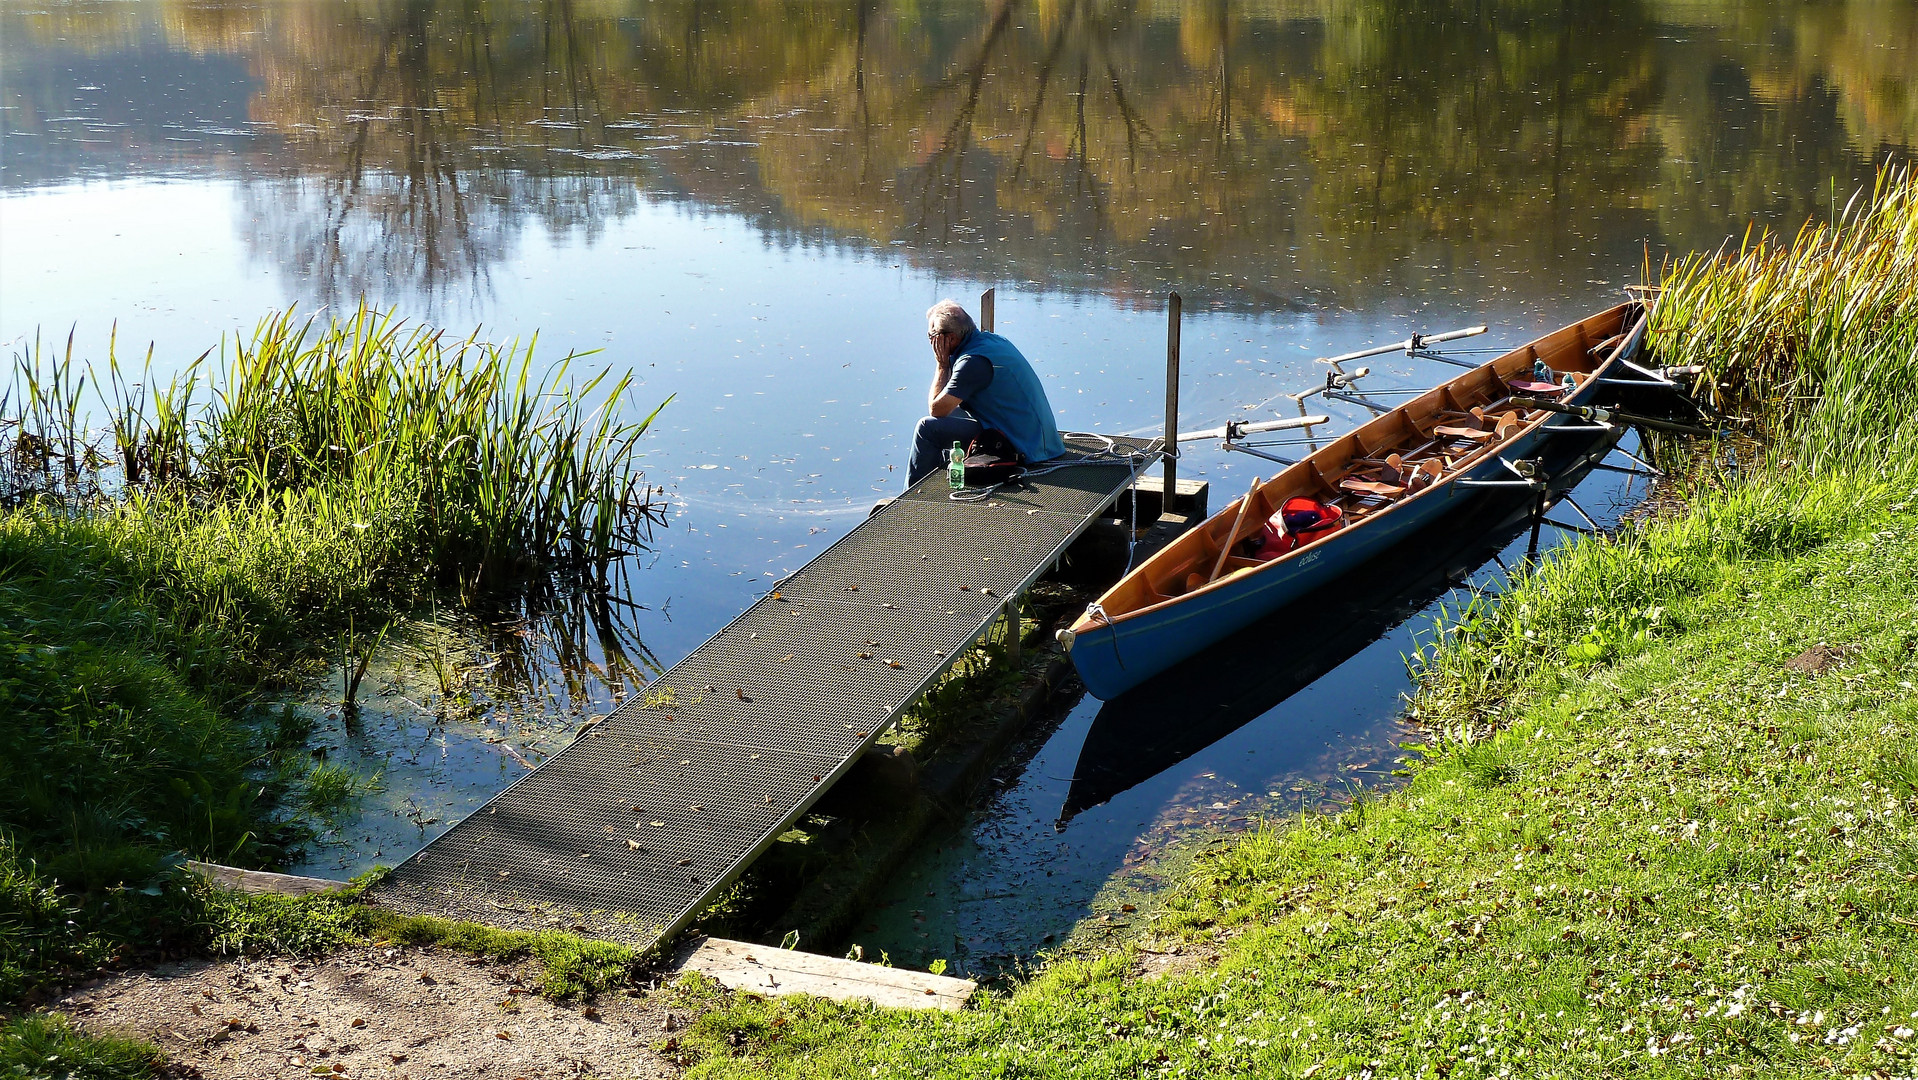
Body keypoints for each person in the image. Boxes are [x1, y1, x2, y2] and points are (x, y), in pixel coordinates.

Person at [908, 300, 1066, 485]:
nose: (931, 342)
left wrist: (942, 366)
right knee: (951, 414)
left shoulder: (973, 362)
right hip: (1035, 435)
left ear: (949, 338)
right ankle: (949, 476)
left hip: (1022, 445)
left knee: (927, 429)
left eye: (931, 336)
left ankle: (911, 496)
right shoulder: (992, 341)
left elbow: (936, 409)